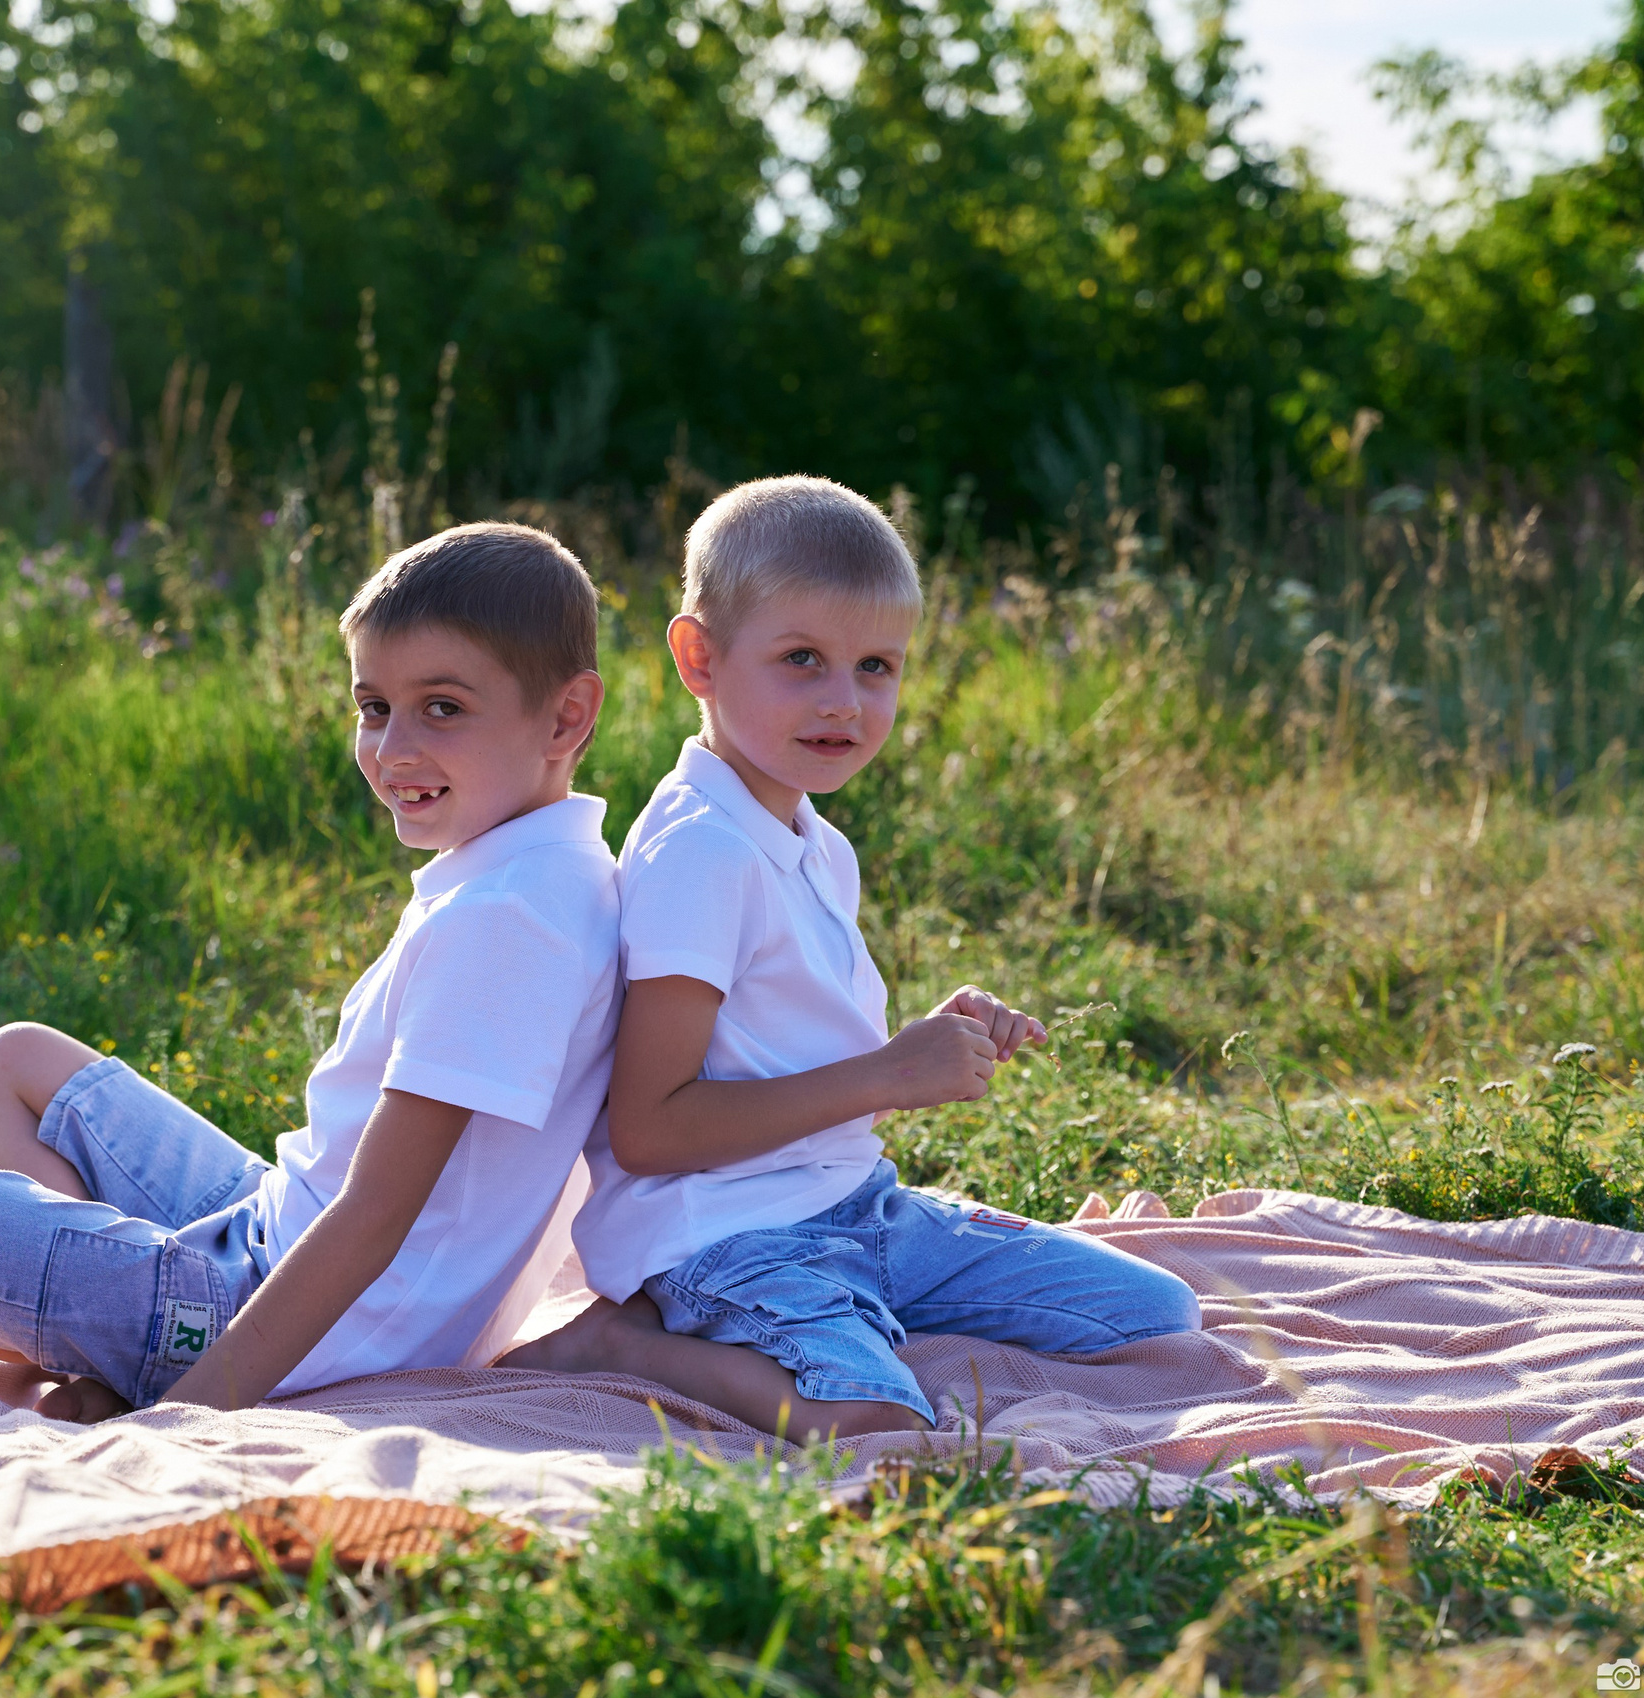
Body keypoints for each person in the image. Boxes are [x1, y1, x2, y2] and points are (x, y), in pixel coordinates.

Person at [0, 522, 620, 1422]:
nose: (393, 749)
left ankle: (137, 1347)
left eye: (443, 707)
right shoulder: (542, 867)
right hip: (273, 1218)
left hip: (300, 1321)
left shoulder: (511, 919)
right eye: (374, 707)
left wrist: (186, 1416)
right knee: (13, 1062)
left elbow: (374, 1216)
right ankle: (115, 1319)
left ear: (567, 717)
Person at [501, 476, 1199, 1440]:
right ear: (699, 657)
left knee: (1156, 1316)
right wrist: (889, 1074)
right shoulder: (699, 852)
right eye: (802, 659)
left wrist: (925, 1042)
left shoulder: (809, 835)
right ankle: (622, 1341)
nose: (845, 701)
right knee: (872, 1416)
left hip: (855, 1205)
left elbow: (783, 1040)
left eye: (876, 665)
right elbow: (650, 1130)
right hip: (726, 1235)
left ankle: (824, 1306)